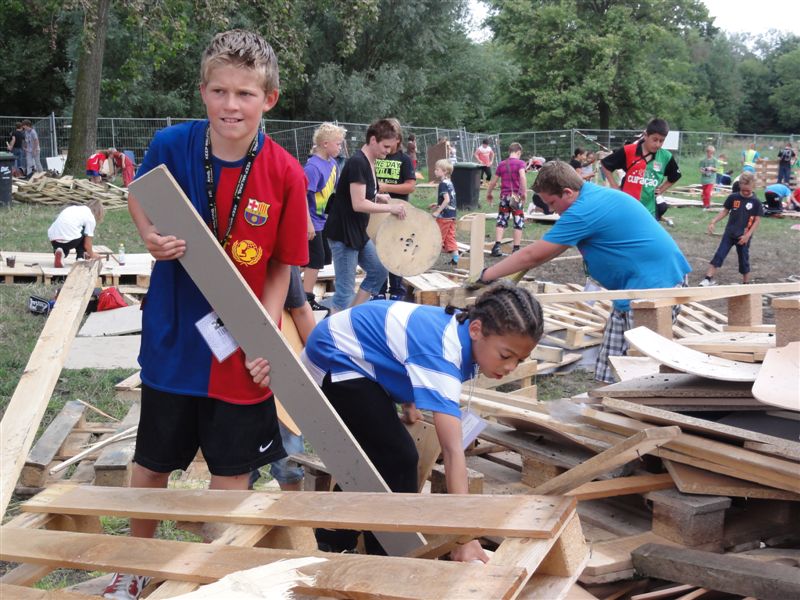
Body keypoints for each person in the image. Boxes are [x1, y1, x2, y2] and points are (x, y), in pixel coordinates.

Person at [103, 30, 309, 600]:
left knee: (231, 468)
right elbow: (139, 195)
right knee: (152, 458)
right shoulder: (172, 144)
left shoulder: (287, 173)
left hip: (240, 352)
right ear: (203, 92)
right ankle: (135, 565)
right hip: (174, 338)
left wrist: (262, 333)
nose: (230, 105)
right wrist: (149, 235)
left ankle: (213, 577)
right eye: (219, 91)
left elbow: (283, 266)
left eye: (245, 93)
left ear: (268, 99)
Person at [298, 282, 543, 561]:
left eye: (520, 360)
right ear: (476, 330)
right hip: (335, 356)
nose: (510, 367)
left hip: (358, 352)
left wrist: (408, 399)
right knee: (398, 457)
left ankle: (335, 536)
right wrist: (464, 537)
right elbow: (452, 452)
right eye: (505, 355)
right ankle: (389, 556)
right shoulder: (442, 355)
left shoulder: (460, 331)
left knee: (379, 458)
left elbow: (401, 346)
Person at [472, 161, 690, 384]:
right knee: (610, 366)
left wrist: (486, 276)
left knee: (641, 371)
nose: (550, 210)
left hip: (655, 286)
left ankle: (636, 414)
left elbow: (532, 255)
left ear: (567, 192)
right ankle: (605, 406)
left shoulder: (584, 209)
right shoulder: (591, 197)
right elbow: (548, 253)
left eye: (552, 202)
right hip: (632, 288)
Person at [322, 118, 406, 314]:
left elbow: (358, 193)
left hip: (358, 231)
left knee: (378, 271)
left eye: (391, 147)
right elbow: (358, 203)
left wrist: (377, 196)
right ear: (373, 140)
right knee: (344, 290)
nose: (388, 151)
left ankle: (351, 317)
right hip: (344, 234)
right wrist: (390, 209)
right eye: (385, 146)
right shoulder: (358, 162)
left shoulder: (370, 161)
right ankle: (332, 333)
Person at [250, 266, 316, 492]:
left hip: (280, 365)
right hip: (235, 370)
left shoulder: (282, 260)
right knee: (239, 464)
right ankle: (239, 521)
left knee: (288, 457)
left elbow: (300, 309)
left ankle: (293, 520)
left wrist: (318, 360)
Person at [600, 118, 681, 224]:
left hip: (649, 211)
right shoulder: (628, 150)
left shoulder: (666, 157)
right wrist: (615, 186)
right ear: (646, 135)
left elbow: (675, 176)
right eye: (655, 139)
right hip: (625, 207)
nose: (658, 144)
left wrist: (661, 189)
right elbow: (605, 165)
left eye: (661, 141)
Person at [303, 122, 346, 312]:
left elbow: (335, 191)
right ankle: (306, 298)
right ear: (325, 143)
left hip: (323, 220)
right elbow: (301, 196)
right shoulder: (312, 167)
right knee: (315, 259)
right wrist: (308, 223)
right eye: (338, 143)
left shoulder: (333, 163)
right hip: (312, 221)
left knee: (321, 259)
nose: (341, 147)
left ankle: (294, 287)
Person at [376, 119, 416, 300]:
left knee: (397, 250)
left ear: (398, 139)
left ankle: (397, 291)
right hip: (375, 213)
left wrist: (385, 187)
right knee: (378, 251)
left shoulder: (404, 160)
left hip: (398, 213)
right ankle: (378, 289)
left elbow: (410, 186)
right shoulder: (375, 156)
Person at [699, 172, 762, 286]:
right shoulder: (733, 197)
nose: (745, 192)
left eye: (748, 190)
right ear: (740, 186)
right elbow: (725, 211)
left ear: (753, 186)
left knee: (743, 259)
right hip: (729, 233)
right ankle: (707, 279)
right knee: (719, 254)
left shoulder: (756, 202)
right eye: (743, 190)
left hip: (743, 236)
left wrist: (747, 236)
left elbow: (757, 220)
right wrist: (713, 221)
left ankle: (746, 283)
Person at [486, 142, 527, 256]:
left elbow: (493, 181)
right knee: (518, 221)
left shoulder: (502, 164)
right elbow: (523, 177)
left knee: (501, 220)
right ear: (518, 152)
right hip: (515, 197)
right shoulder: (520, 163)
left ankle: (497, 246)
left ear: (510, 151)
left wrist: (489, 193)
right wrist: (523, 193)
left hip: (504, 197)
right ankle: (516, 249)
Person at [47, 199, 106, 268]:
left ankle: (60, 252)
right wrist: (92, 254)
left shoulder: (72, 208)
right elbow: (87, 244)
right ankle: (80, 257)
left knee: (64, 246)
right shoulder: (90, 217)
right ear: (98, 213)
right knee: (85, 231)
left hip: (54, 239)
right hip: (71, 240)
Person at [430, 159, 459, 265]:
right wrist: (437, 204)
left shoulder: (443, 184)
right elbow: (448, 199)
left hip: (445, 216)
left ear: (445, 171)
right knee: (450, 237)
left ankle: (428, 260)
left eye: (437, 169)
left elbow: (446, 200)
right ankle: (456, 259)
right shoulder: (449, 182)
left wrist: (438, 211)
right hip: (452, 215)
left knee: (438, 237)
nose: (435, 171)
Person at [699, 145, 718, 210]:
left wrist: (711, 168)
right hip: (704, 179)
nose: (710, 154)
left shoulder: (715, 160)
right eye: (709, 152)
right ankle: (704, 204)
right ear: (707, 152)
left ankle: (707, 205)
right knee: (704, 193)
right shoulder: (703, 161)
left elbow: (716, 169)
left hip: (711, 179)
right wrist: (704, 171)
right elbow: (700, 169)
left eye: (712, 153)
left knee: (707, 192)